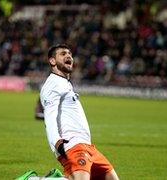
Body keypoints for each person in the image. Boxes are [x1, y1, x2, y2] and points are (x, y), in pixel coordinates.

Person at [40, 44, 119, 180]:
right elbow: (49, 117)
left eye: (70, 53)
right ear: (52, 61)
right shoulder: (52, 84)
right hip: (72, 145)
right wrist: (57, 143)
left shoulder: (65, 83)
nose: (69, 56)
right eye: (63, 54)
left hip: (88, 146)